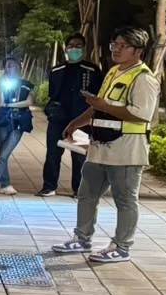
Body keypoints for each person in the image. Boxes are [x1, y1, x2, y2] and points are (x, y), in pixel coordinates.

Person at [53, 27, 159, 263]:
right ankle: (82, 238)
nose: (117, 49)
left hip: (127, 150)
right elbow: (97, 107)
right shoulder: (113, 73)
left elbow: (142, 115)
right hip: (100, 147)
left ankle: (122, 247)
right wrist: (76, 123)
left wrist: (103, 104)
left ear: (138, 50)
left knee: (125, 199)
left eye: (123, 46)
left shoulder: (143, 78)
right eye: (114, 44)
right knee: (86, 194)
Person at [38, 33, 102, 196]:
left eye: (78, 45)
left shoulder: (92, 70)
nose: (74, 48)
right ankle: (49, 186)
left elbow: (97, 95)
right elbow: (53, 94)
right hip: (58, 118)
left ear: (84, 48)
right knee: (53, 152)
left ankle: (78, 188)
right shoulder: (56, 70)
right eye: (71, 45)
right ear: (66, 48)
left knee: (79, 154)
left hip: (81, 118)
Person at [0, 58, 35, 197]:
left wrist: (11, 105)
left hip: (19, 122)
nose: (9, 68)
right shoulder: (2, 83)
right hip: (2, 121)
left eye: (11, 65)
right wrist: (0, 92)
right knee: (2, 154)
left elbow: (29, 102)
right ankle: (5, 185)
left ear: (18, 67)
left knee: (4, 153)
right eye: (7, 67)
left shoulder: (27, 85)